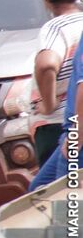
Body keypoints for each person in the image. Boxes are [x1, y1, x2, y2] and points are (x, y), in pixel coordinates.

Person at [29, 0, 83, 167]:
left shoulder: (55, 28)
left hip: (59, 126)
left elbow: (46, 65)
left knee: (53, 193)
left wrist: (48, 103)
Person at [31, 27, 82, 189]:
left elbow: (45, 64)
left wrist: (76, 139)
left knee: (67, 208)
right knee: (39, 189)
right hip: (71, 133)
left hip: (78, 136)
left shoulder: (55, 28)